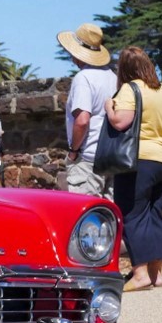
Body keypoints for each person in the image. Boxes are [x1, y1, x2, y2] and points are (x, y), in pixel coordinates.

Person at [103, 46, 162, 292]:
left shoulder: (130, 89)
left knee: (132, 214)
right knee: (155, 214)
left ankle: (140, 274)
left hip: (140, 160)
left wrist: (108, 108)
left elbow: (121, 121)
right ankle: (156, 274)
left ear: (125, 68)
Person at [57, 23, 117, 197]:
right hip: (112, 157)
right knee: (108, 218)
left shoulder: (83, 78)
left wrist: (73, 151)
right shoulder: (112, 77)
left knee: (84, 218)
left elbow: (82, 120)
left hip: (88, 158)